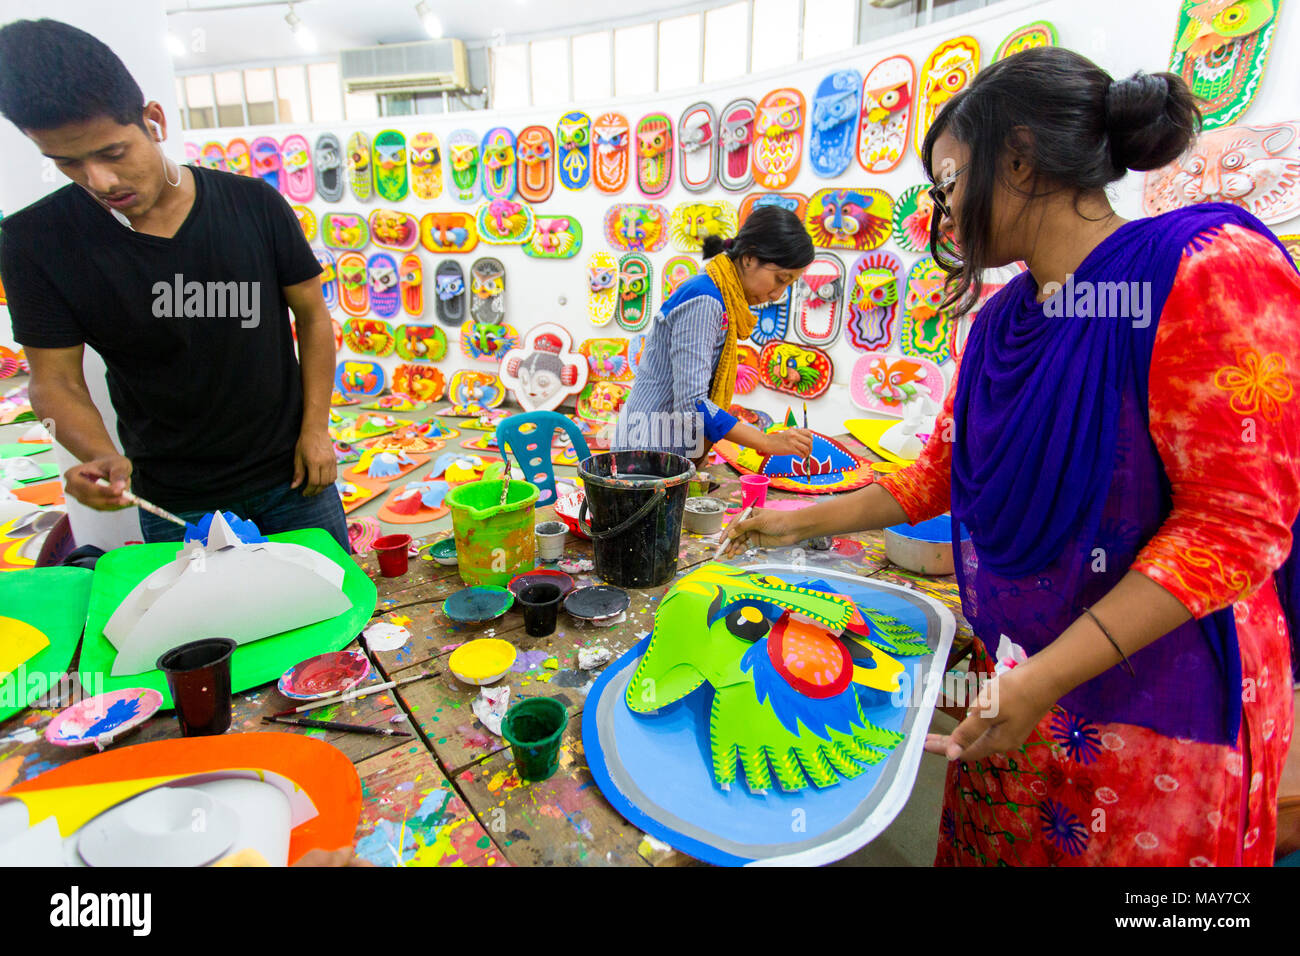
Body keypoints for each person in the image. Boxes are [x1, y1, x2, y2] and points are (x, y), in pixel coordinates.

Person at [727, 47, 1299, 866]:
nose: (942, 213)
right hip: (1018, 683)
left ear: (1021, 158)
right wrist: (792, 520)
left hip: (1153, 714)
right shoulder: (1002, 321)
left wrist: (1042, 681)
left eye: (951, 182)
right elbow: (938, 472)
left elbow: (1235, 528)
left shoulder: (1202, 267)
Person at [0, 19, 346, 550]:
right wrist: (97, 453)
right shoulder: (34, 241)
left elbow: (313, 316)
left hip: (295, 478)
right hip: (175, 500)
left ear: (153, 120)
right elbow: (55, 381)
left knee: (331, 624)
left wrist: (316, 429)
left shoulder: (253, 204)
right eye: (67, 163)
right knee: (210, 633)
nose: (101, 181)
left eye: (113, 152)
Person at [612, 205, 816, 467]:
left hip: (662, 447)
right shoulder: (706, 300)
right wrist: (766, 442)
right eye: (780, 279)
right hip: (646, 454)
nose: (778, 295)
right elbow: (692, 406)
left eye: (789, 285)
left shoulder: (717, 296)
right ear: (749, 257)